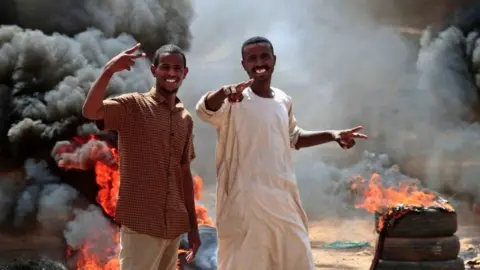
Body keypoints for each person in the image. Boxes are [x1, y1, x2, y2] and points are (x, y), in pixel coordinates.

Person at [196, 36, 368, 270]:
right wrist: (226, 92)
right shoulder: (234, 99)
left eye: (264, 56)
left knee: (297, 259)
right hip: (246, 202)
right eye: (252, 58)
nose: (259, 63)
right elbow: (204, 110)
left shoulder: (282, 99)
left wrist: (333, 134)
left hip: (283, 198)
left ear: (274, 60)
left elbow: (293, 138)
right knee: (247, 262)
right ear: (244, 64)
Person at [82, 43, 201, 270]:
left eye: (177, 69)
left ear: (185, 73)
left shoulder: (185, 118)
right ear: (154, 70)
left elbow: (184, 173)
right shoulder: (133, 106)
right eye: (165, 67)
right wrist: (109, 70)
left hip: (174, 226)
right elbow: (91, 111)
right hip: (142, 224)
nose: (171, 73)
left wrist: (193, 228)